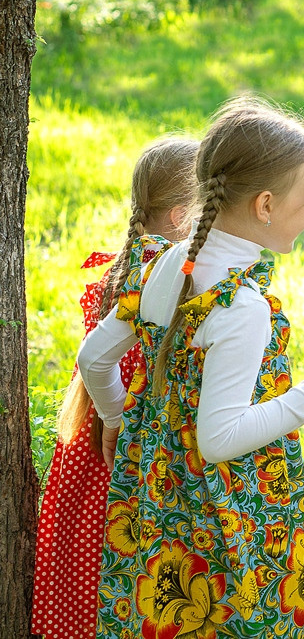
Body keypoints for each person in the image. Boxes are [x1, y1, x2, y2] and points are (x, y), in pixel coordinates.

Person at [77, 95, 304, 638]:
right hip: (231, 508)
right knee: (235, 616)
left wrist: (117, 419)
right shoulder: (241, 307)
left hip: (159, 495)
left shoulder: (164, 262)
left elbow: (94, 358)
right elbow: (219, 440)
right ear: (265, 205)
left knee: (169, 612)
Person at [31, 136, 201, 639]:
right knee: (127, 560)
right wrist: (115, 420)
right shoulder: (166, 280)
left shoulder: (124, 269)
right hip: (125, 451)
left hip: (90, 451)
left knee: (91, 563)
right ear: (180, 217)